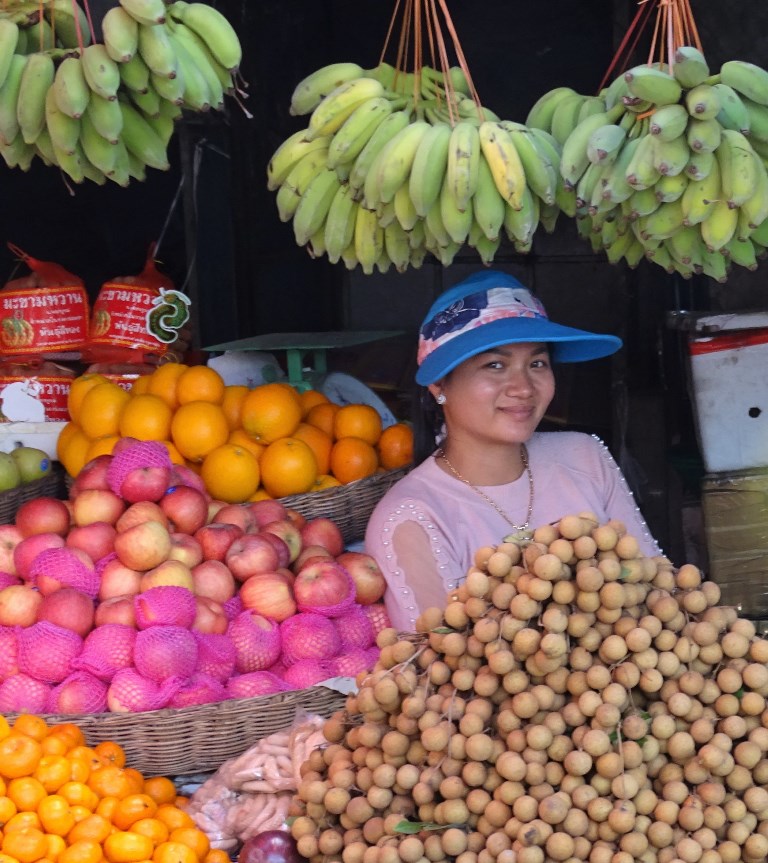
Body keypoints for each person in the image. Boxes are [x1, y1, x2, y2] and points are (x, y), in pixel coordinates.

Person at [365, 270, 662, 632]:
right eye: (495, 365)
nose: (523, 387)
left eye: (537, 364)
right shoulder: (411, 519)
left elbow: (660, 590)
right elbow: (438, 666)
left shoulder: (583, 456)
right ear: (439, 384)